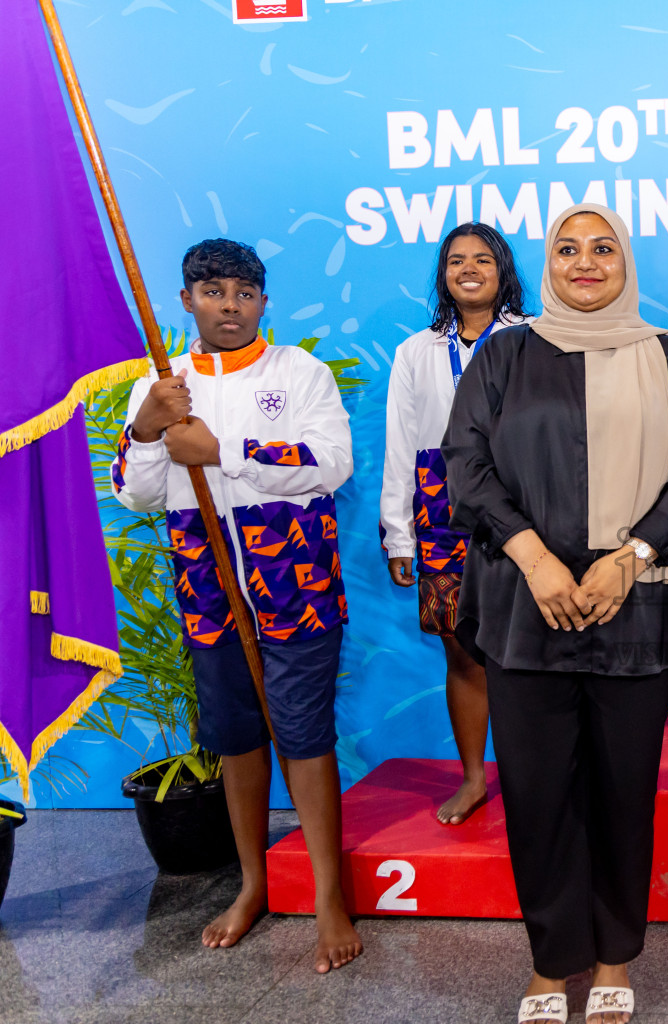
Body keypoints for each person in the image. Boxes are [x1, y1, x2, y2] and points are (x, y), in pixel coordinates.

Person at [444, 204, 668, 1024]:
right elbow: (466, 465)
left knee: (621, 790)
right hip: (524, 607)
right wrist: (533, 556)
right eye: (568, 249)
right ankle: (550, 961)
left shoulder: (667, 359)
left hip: (637, 607)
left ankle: (612, 958)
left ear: (624, 262)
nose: (586, 262)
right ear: (550, 265)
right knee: (536, 793)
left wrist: (628, 559)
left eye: (604, 249)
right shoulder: (502, 357)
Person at [111, 239, 361, 972]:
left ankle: (326, 895)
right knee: (236, 737)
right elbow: (139, 493)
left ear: (263, 302)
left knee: (305, 736)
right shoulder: (165, 383)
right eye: (213, 291)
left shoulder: (298, 372)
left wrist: (224, 450)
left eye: (244, 293)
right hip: (207, 584)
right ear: (186, 299)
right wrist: (148, 430)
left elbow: (331, 462)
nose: (230, 305)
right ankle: (252, 884)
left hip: (297, 582)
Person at [381, 222, 530, 826]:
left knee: (527, 650)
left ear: (503, 271)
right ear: (444, 275)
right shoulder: (416, 351)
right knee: (463, 652)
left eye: (483, 259)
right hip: (439, 506)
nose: (469, 269)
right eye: (456, 261)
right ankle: (473, 778)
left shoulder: (533, 340)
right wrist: (398, 531)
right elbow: (399, 442)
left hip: (521, 502)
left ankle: (529, 780)